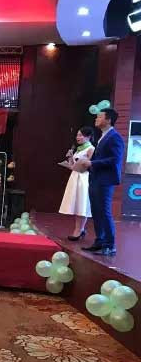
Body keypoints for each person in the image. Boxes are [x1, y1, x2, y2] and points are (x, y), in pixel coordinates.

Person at [76, 108, 125, 256]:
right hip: (96, 178)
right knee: (96, 212)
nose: (96, 119)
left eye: (99, 117)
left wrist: (92, 163)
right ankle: (100, 241)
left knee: (104, 212)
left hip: (105, 180)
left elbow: (115, 160)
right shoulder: (103, 136)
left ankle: (110, 245)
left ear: (108, 120)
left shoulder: (115, 137)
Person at [59, 126, 94, 240]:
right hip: (75, 176)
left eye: (80, 135)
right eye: (77, 135)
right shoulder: (78, 149)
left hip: (84, 178)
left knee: (82, 204)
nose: (77, 137)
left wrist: (81, 165)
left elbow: (91, 165)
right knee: (76, 204)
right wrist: (70, 158)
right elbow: (73, 166)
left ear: (88, 136)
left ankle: (79, 230)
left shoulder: (91, 149)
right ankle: (79, 229)